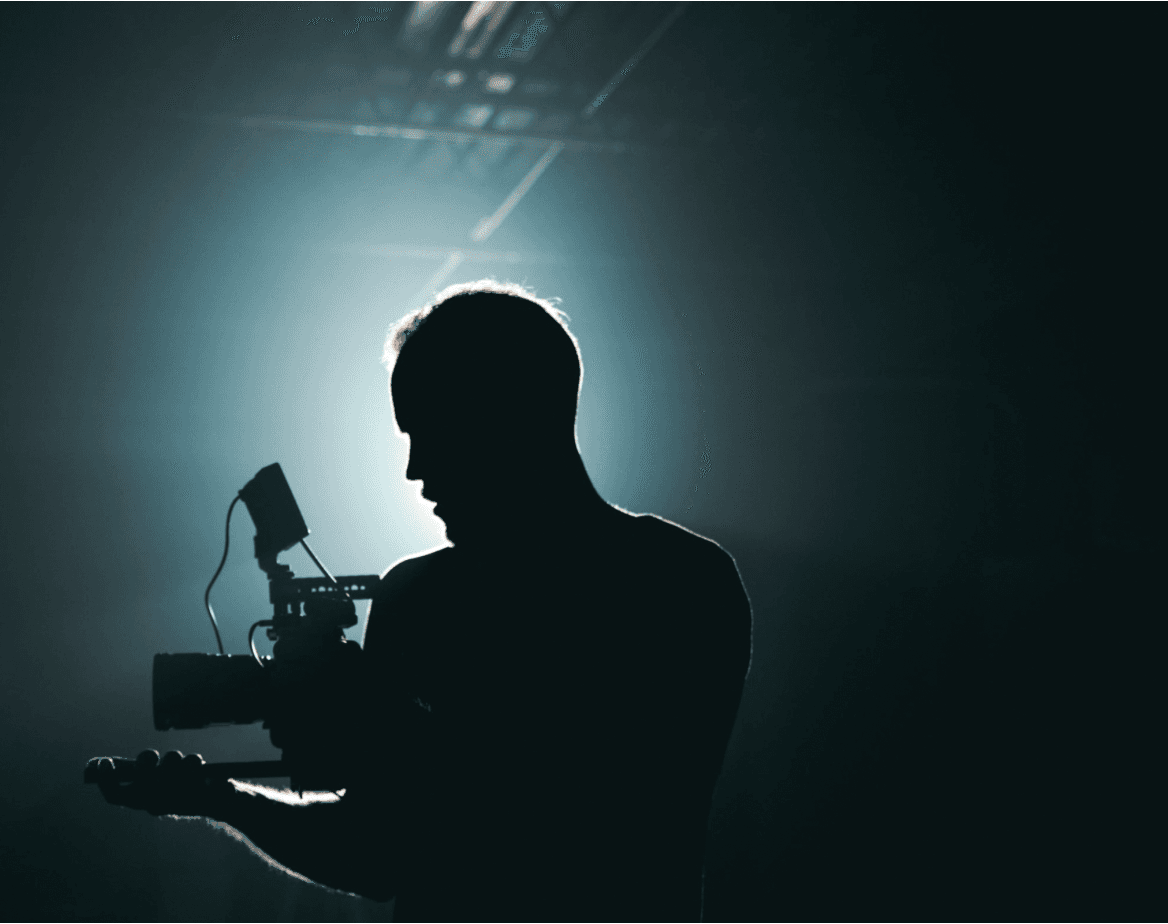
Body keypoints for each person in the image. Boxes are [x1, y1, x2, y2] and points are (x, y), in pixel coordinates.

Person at [97, 282, 752, 921]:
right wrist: (222, 799)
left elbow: (609, 812)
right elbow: (375, 852)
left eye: (432, 430)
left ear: (512, 413)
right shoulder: (415, 594)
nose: (414, 470)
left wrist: (383, 721)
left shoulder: (681, 583)